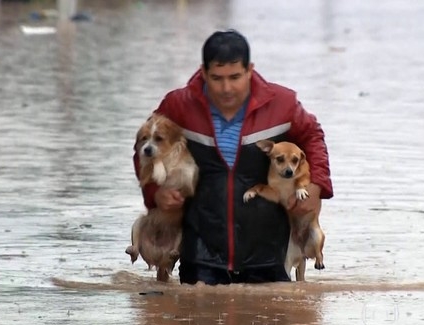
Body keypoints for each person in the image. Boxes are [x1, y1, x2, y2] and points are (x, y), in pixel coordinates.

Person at [133, 29, 333, 285]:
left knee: (273, 321)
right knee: (192, 321)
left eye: (235, 77)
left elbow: (313, 137)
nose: (226, 88)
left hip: (268, 253)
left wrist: (316, 188)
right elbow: (144, 146)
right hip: (201, 254)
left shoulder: (283, 104)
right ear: (203, 72)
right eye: (216, 78)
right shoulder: (178, 105)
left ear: (250, 70)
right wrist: (154, 193)